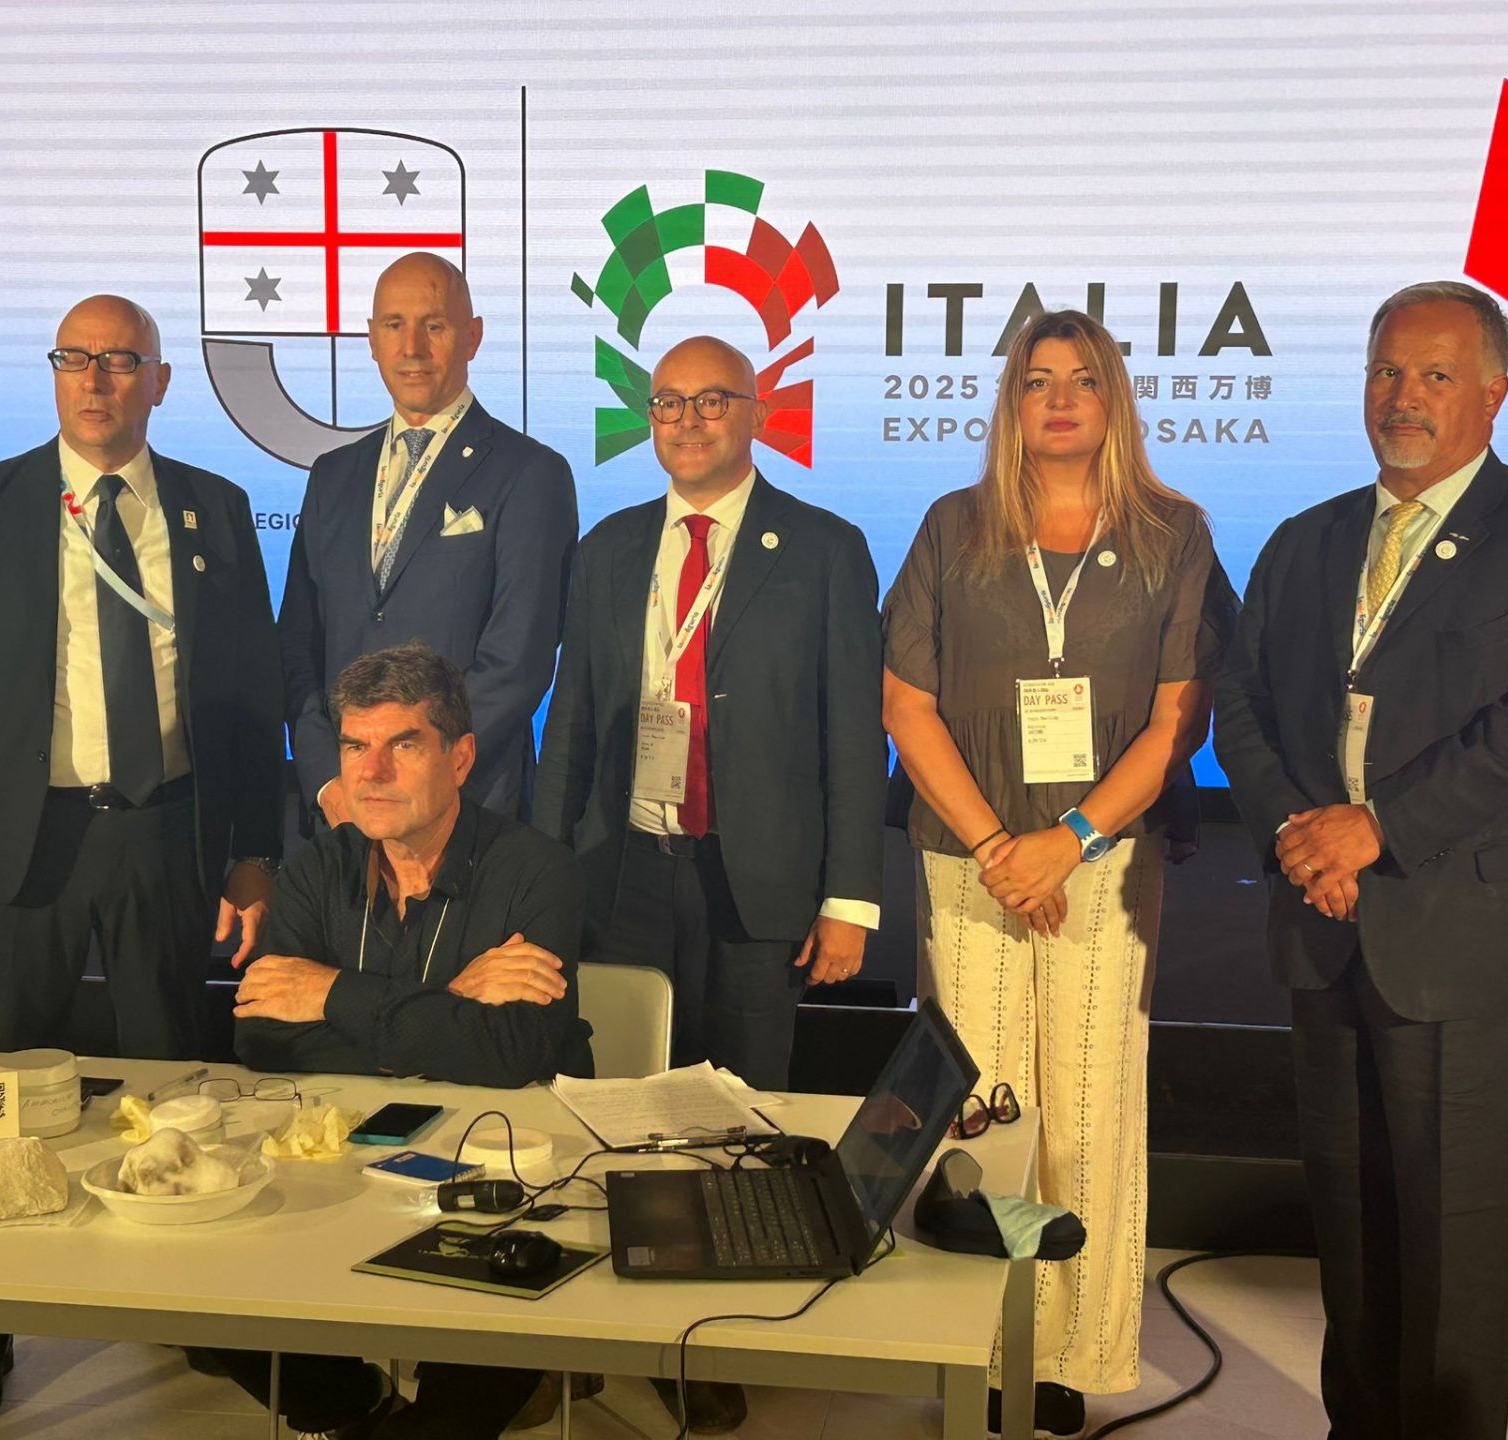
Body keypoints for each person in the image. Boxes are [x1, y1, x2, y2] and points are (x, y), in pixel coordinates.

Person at [1213, 280, 1508, 1440]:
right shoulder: (1306, 540)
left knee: (1454, 1230)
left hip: (1467, 936)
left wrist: (1377, 826)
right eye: (1386, 372)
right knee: (1351, 1219)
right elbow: (1241, 705)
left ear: (1494, 393)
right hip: (1325, 923)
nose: (1404, 396)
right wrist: (1301, 837)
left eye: (1435, 375)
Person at [0, 294, 283, 1418]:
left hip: (166, 834)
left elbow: (250, 695)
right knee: (5, 1085)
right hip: (25, 839)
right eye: (76, 359)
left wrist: (255, 851)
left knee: (174, 1082)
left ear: (160, 382)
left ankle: (186, 1307)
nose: (97, 380)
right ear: (55, 374)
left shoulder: (213, 507)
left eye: (120, 360)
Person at [882, 309, 1236, 1437]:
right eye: (1038, 381)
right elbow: (906, 704)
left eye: (1083, 379)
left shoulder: (1176, 534)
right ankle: (988, 1349)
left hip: (1106, 861)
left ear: (1114, 396)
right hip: (968, 860)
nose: (1061, 399)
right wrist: (1000, 848)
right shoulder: (954, 527)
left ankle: (1074, 1352)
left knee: (1088, 1112)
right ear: (1012, 403)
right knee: (988, 1114)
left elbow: (1179, 719)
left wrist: (1066, 841)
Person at [533, 334, 886, 1434]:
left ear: (758, 409)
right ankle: (604, 1317)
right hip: (624, 869)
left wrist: (849, 899)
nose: (687, 422)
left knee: (741, 1113)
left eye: (712, 400)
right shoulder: (608, 548)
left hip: (757, 875)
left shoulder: (824, 549)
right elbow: (571, 723)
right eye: (668, 404)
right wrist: (541, 878)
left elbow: (853, 733)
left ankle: (714, 1335)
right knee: (621, 1101)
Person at [212, 642, 589, 1438]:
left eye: (403, 745)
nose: (371, 772)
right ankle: (351, 1408)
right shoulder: (318, 867)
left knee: (492, 1337)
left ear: (461, 757)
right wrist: (448, 1005)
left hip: (497, 1172)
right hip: (338, 1161)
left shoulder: (536, 871)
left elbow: (511, 1054)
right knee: (198, 1294)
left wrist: (332, 995)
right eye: (355, 747)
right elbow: (264, 1039)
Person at [280, 252, 577, 825]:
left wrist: (412, 770)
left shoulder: (529, 472)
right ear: (371, 339)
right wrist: (328, 778)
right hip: (342, 811)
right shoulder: (332, 476)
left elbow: (519, 659)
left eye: (434, 326)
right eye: (394, 325)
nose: (412, 347)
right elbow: (298, 645)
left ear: (473, 337)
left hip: (464, 805)